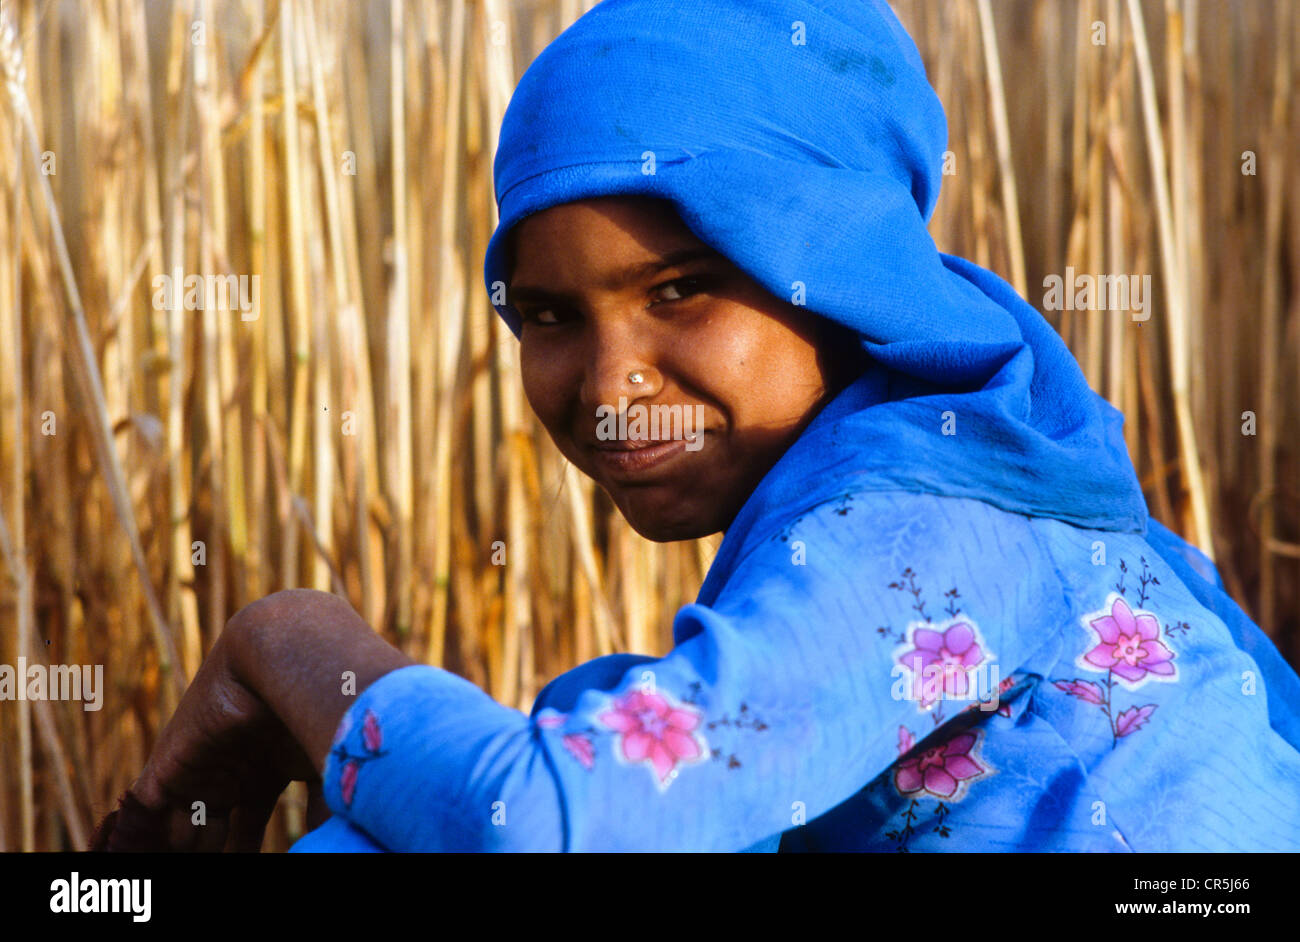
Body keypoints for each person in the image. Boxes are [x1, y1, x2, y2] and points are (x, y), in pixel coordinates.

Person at [96, 0, 1300, 852]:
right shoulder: (940, 466)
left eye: (680, 291)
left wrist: (290, 645)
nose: (610, 383)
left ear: (842, 274)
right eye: (552, 315)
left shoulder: (922, 532)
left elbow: (555, 826)